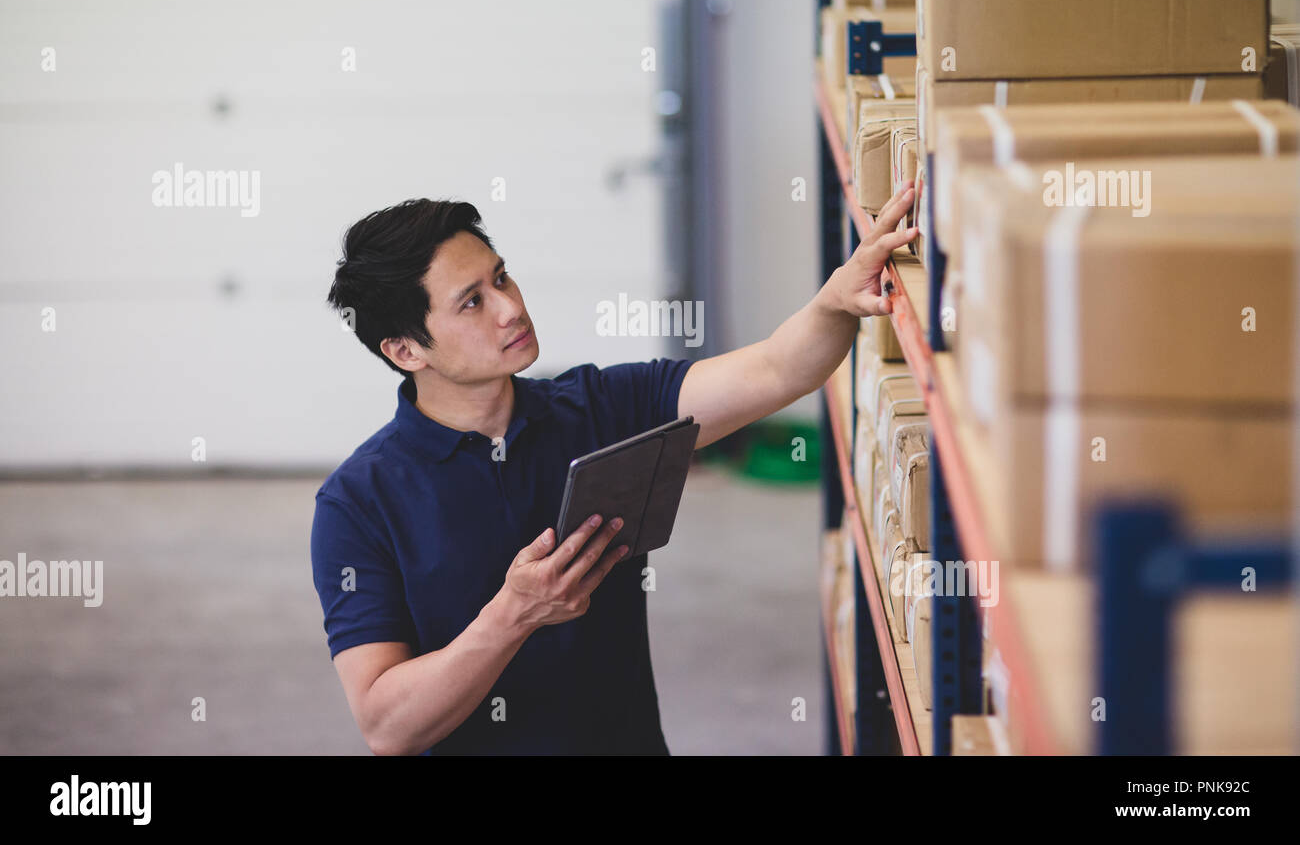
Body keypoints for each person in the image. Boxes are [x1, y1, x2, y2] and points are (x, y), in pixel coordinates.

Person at [311, 184, 918, 755]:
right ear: (406, 350)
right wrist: (512, 614)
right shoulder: (359, 503)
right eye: (472, 302)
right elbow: (387, 726)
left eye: (502, 277)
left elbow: (777, 370)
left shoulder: (604, 406)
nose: (510, 307)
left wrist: (837, 297)